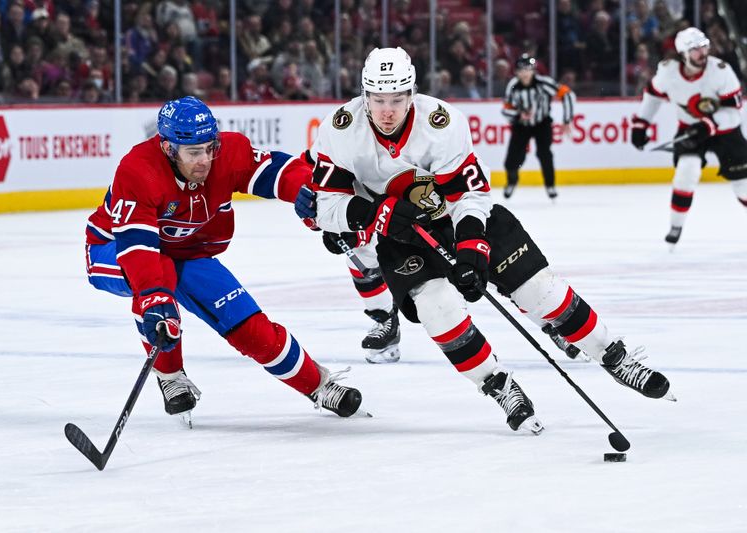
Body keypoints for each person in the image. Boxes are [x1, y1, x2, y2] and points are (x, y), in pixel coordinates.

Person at [295, 47, 674, 435]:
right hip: (401, 237)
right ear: (364, 96)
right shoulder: (340, 130)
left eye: (396, 99)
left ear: (412, 94)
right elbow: (327, 207)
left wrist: (472, 248)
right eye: (378, 100)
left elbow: (469, 194)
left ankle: (614, 356)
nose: (387, 110)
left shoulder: (441, 123)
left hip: (461, 219)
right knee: (437, 309)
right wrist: (375, 215)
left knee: (541, 292)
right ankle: (499, 386)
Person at [84, 96, 364, 422]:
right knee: (158, 290)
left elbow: (277, 170)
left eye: (209, 148)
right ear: (168, 149)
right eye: (193, 152)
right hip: (113, 248)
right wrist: (153, 298)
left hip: (188, 252)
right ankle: (171, 377)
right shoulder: (138, 171)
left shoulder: (228, 153)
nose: (204, 159)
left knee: (250, 328)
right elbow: (139, 250)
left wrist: (309, 192)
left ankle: (319, 386)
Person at [630, 27, 747, 245]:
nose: (703, 53)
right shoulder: (668, 72)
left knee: (743, 185)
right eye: (695, 49)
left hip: (726, 131)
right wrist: (640, 124)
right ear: (683, 53)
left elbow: (733, 113)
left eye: (705, 47)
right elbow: (652, 96)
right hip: (690, 128)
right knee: (686, 172)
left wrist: (709, 125)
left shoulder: (721, 71)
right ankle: (676, 226)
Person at [501, 54, 576, 200]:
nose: (525, 73)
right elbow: (506, 109)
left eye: (528, 70)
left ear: (533, 70)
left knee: (544, 154)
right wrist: (518, 115)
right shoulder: (513, 86)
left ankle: (550, 185)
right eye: (521, 70)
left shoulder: (544, 83)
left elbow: (567, 95)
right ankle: (512, 181)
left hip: (542, 123)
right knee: (512, 159)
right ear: (516, 72)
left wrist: (567, 120)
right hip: (521, 125)